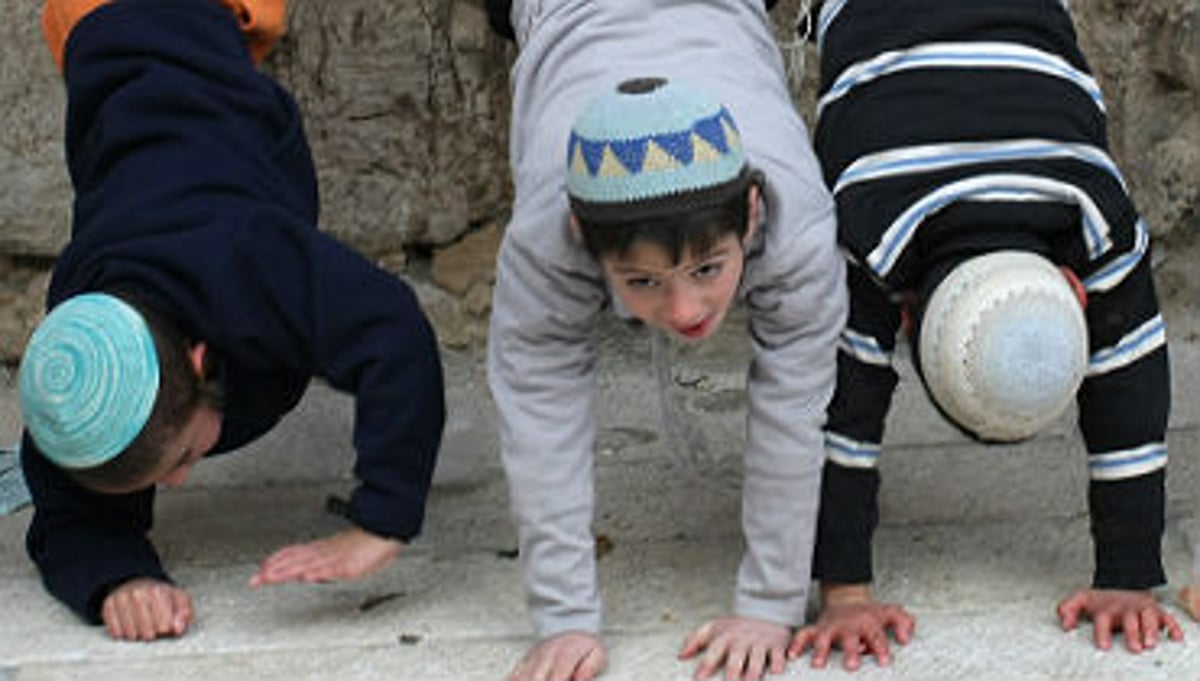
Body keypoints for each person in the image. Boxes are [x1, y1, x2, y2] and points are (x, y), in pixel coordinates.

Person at [18, 0, 445, 642]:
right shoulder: (76, 360)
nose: (184, 478)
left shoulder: (250, 262)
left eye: (183, 454)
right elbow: (64, 502)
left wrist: (381, 521)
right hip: (88, 25)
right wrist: (118, 577)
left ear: (198, 356)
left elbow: (394, 335)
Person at [787, 0, 1184, 670]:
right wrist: (844, 592)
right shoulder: (868, 229)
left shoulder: (1096, 213)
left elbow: (848, 415)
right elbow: (841, 421)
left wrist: (1129, 576)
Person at [483, 2, 847, 680]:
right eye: (642, 280)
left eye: (709, 268)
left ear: (752, 212)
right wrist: (562, 618)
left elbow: (795, 408)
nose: (684, 309)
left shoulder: (797, 223)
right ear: (581, 240)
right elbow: (538, 401)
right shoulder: (545, 231)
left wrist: (771, 601)